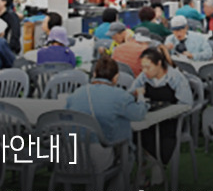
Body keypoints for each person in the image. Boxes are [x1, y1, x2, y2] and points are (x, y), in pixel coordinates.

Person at [65, 55, 147, 169]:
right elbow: (139, 114)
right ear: (116, 77)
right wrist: (141, 97)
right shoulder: (120, 96)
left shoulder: (75, 94)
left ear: (94, 74)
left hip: (70, 156)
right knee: (124, 150)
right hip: (99, 158)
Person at [129, 46, 193, 183]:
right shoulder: (144, 76)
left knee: (156, 135)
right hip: (150, 118)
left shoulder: (175, 77)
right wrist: (136, 94)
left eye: (148, 67)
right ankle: (145, 166)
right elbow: (131, 93)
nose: (144, 71)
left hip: (171, 121)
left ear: (159, 64)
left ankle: (156, 164)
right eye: (142, 67)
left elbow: (186, 104)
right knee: (136, 133)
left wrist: (167, 113)